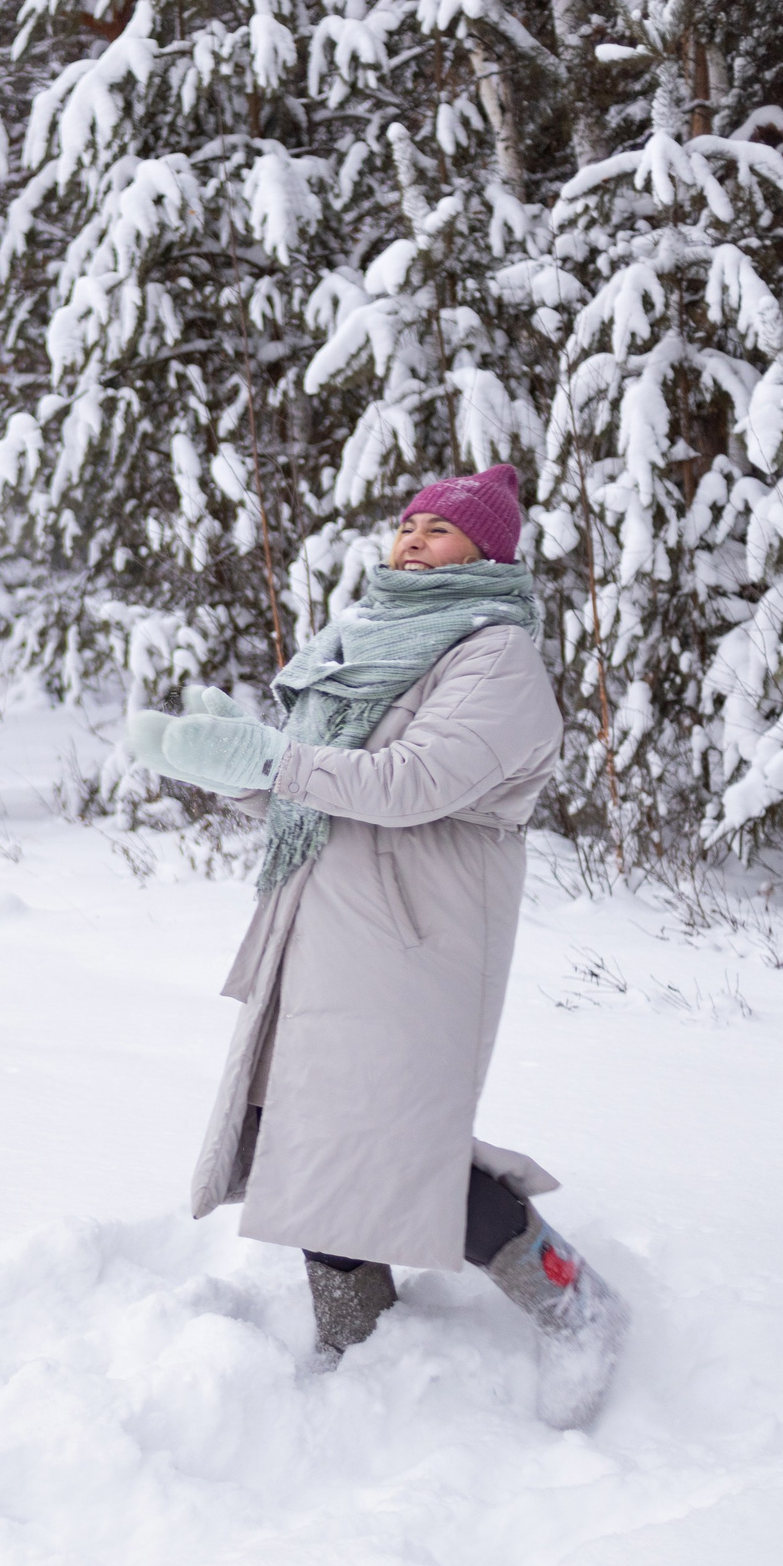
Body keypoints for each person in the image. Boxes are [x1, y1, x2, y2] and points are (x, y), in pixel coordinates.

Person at [127, 464, 629, 1430]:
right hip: (321, 926)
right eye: (406, 525)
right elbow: (316, 787)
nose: (413, 540)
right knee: (300, 1130)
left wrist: (271, 759)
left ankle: (578, 1301)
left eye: (439, 530)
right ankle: (357, 1337)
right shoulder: (365, 640)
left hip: (415, 938)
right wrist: (229, 761)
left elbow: (408, 782)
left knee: (401, 1143)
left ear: (491, 551)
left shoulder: (497, 657)